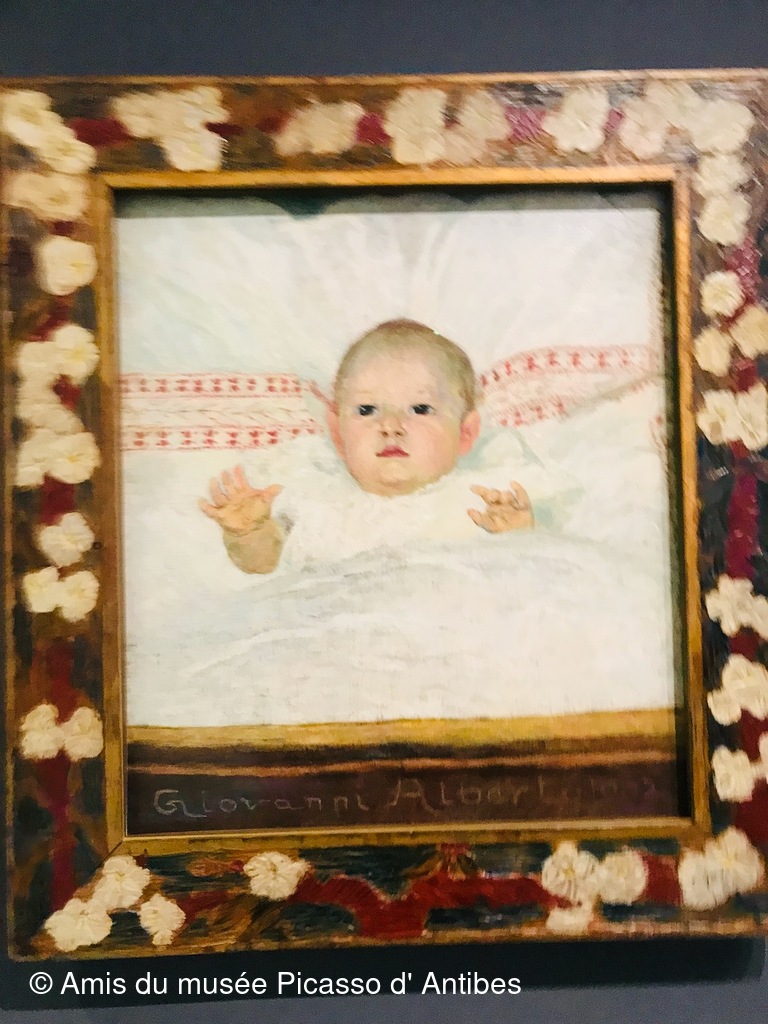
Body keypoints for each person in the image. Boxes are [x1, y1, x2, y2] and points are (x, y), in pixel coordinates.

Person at [199, 319, 534, 573]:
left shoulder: (479, 502)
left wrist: (518, 535)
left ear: (465, 433)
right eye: (366, 410)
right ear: (338, 433)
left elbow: (527, 579)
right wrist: (249, 532)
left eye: (420, 409)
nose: (390, 426)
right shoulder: (318, 500)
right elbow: (263, 563)